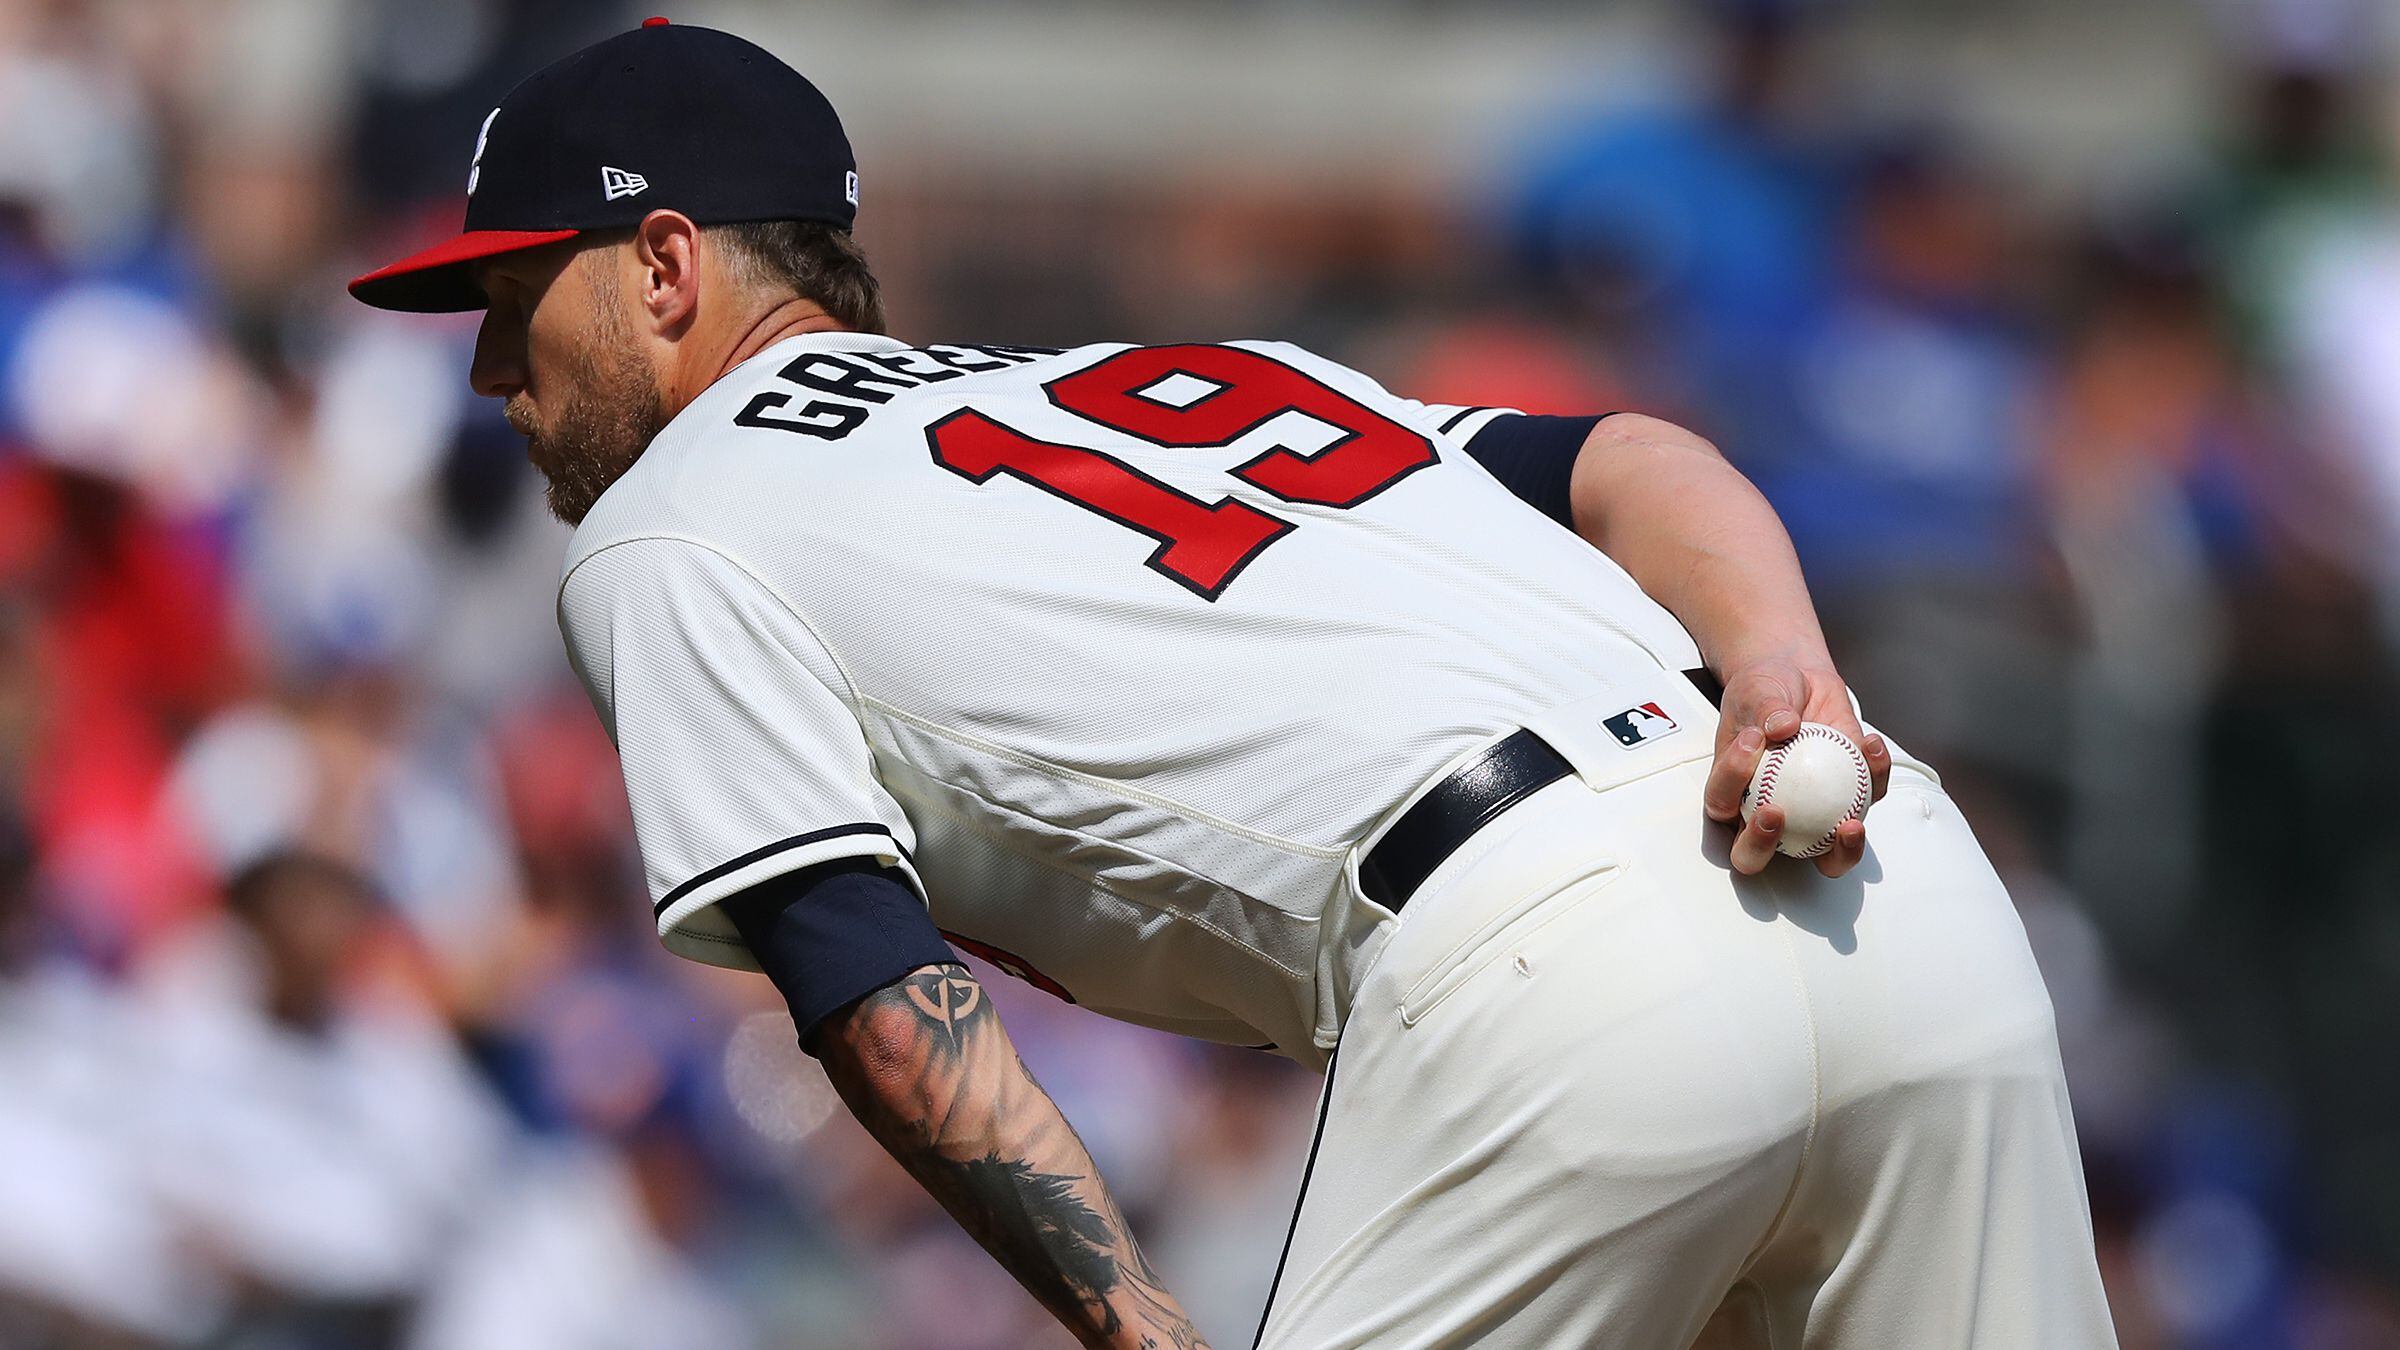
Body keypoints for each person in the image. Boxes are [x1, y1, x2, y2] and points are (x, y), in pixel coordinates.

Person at [349, 20, 2116, 1348]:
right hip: (1897, 886)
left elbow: (874, 1003)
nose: (495, 364)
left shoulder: (673, 519)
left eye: (515, 293)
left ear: (665, 266)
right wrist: (1786, 671)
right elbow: (1638, 459)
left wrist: (1139, 1321)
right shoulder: (1164, 372)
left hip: (1549, 969)